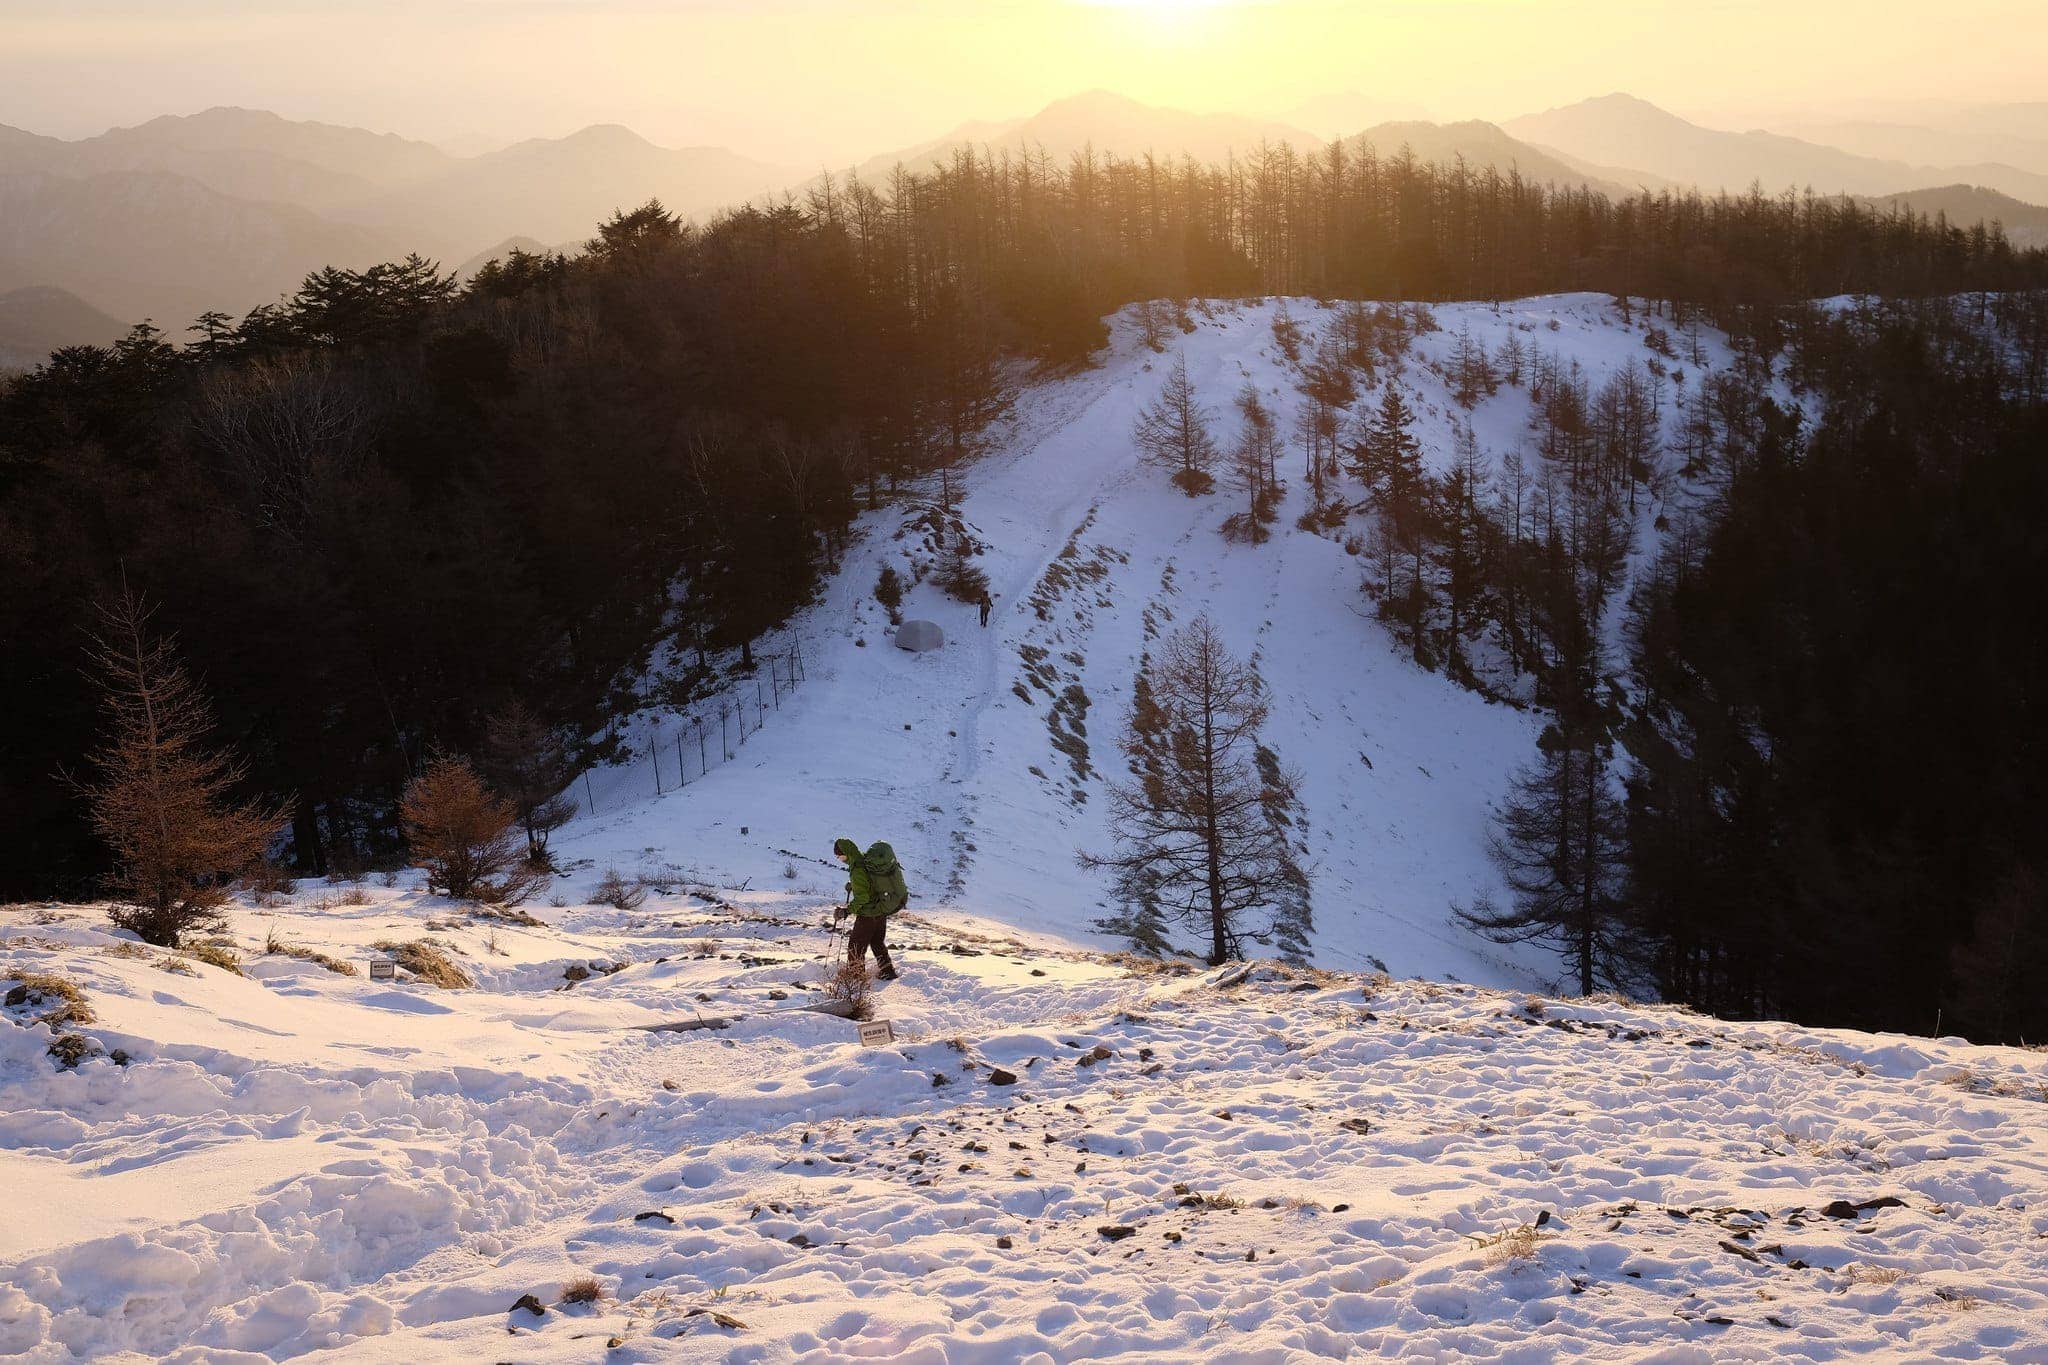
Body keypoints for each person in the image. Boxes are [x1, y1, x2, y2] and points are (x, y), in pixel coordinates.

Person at [833, 837, 903, 980]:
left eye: (838, 855)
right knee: (877, 942)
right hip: (881, 910)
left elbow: (863, 898)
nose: (838, 858)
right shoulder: (864, 860)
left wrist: (847, 910)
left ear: (845, 853)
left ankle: (855, 979)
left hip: (868, 914)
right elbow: (869, 883)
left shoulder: (857, 869)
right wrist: (854, 885)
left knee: (855, 947)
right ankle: (887, 971)